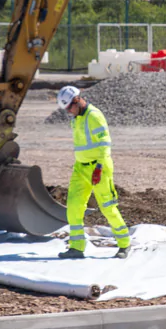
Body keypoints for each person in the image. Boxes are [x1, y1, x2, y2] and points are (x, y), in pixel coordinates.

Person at [54, 86, 132, 260]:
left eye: (69, 108)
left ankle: (125, 244)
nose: (69, 112)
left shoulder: (94, 116)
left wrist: (98, 168)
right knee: (73, 207)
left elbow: (105, 144)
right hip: (80, 168)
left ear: (77, 101)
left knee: (108, 208)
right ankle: (76, 247)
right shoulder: (75, 119)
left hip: (99, 167)